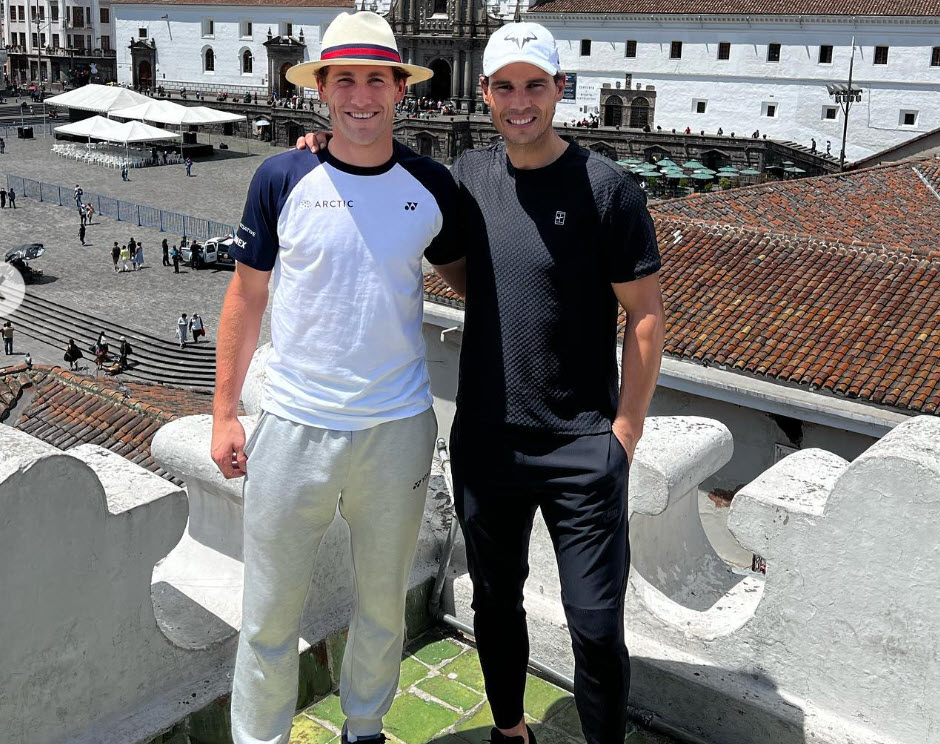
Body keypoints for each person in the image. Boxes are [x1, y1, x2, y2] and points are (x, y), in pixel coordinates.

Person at [299, 21, 663, 744]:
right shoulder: (467, 175)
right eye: (504, 87)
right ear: (486, 94)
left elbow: (646, 317)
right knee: (496, 601)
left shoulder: (608, 190)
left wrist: (624, 432)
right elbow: (429, 233)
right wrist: (322, 154)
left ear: (562, 90)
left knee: (595, 624)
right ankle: (510, 730)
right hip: (489, 438)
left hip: (582, 444)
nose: (519, 102)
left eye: (535, 86)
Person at [214, 12, 460, 744]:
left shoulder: (430, 183)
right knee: (267, 614)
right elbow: (245, 295)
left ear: (399, 90)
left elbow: (475, 276)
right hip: (292, 426)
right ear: (321, 90)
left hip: (397, 431)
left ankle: (365, 728)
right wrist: (225, 412)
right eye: (344, 79)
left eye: (375, 79)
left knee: (382, 603)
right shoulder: (281, 175)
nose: (361, 96)